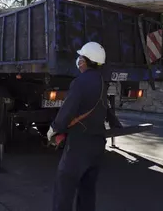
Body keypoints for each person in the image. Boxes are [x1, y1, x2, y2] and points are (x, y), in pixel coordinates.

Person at [47, 41, 120, 211]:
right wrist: (115, 122)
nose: (78, 60)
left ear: (85, 61)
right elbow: (104, 107)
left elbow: (68, 110)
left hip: (79, 144)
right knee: (87, 191)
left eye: (80, 57)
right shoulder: (102, 82)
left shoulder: (80, 82)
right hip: (97, 144)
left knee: (63, 190)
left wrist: (54, 128)